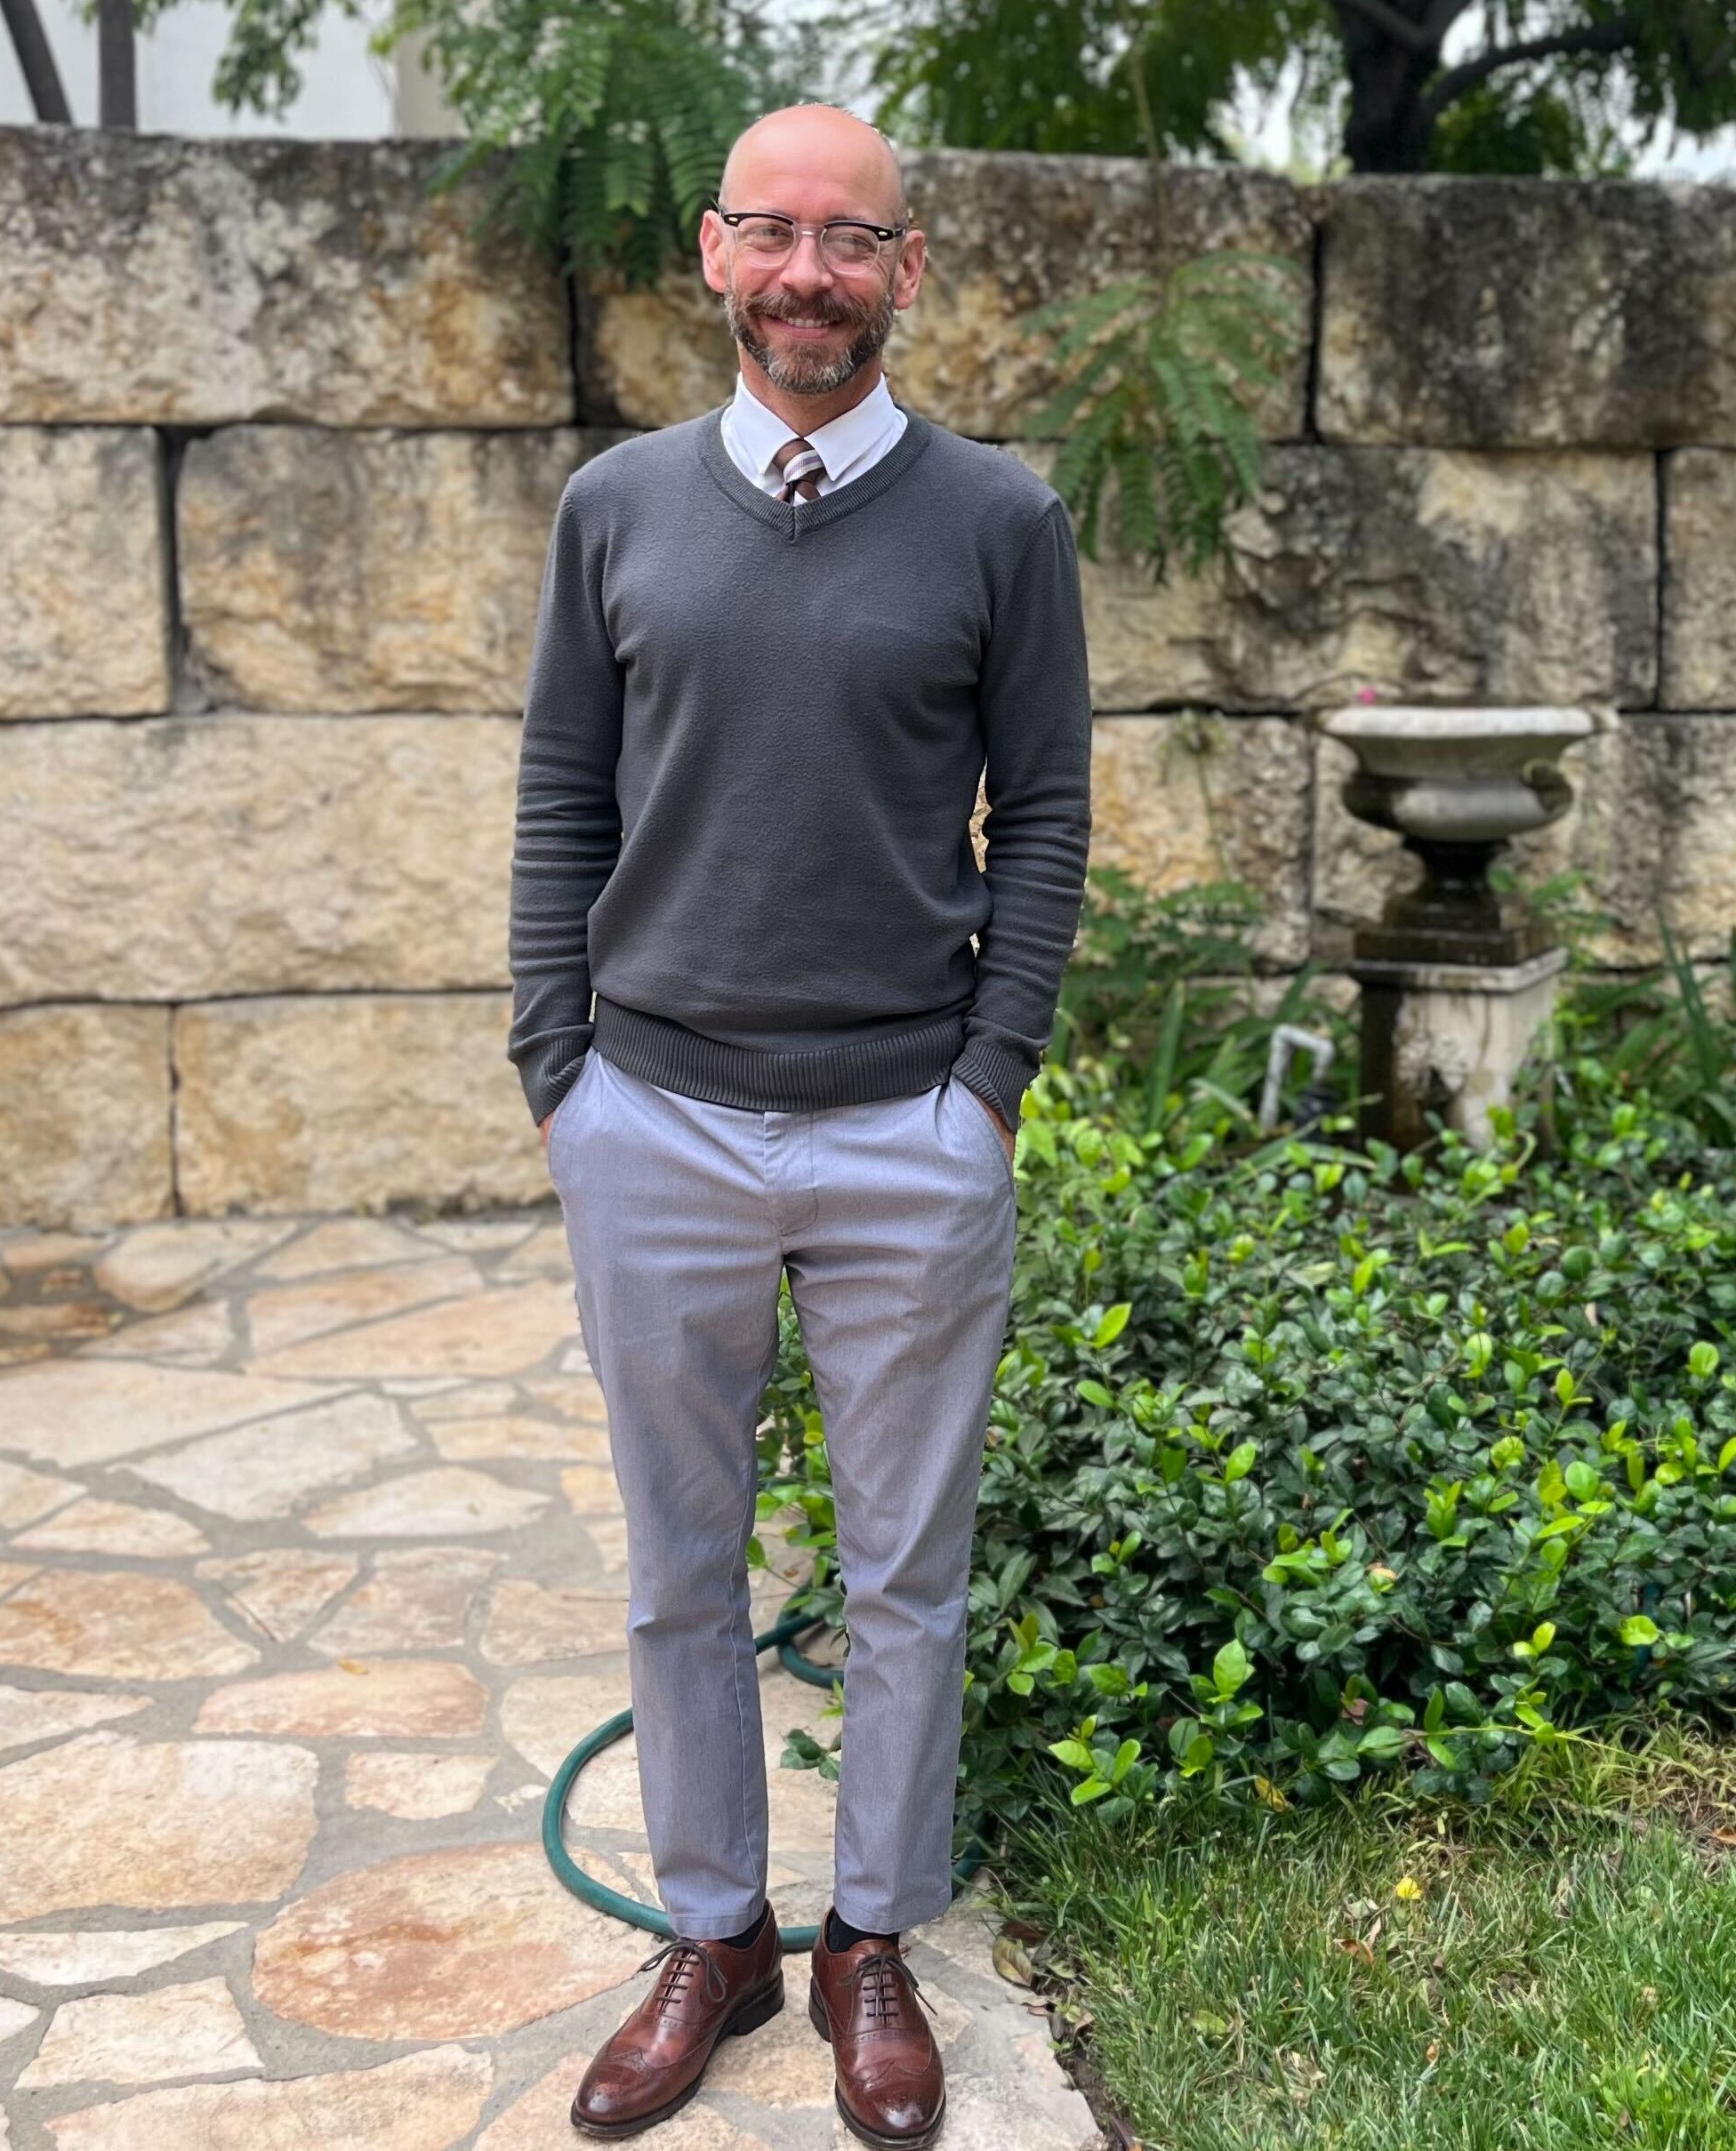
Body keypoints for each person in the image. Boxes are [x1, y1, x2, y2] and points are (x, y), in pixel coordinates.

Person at [505, 99, 1093, 2147]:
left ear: (905, 270)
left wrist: (982, 1091)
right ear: (711, 254)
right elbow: (560, 800)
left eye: (850, 241)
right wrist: (556, 1073)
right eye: (772, 234)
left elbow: (1047, 820)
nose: (808, 276)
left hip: (901, 1131)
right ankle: (711, 1931)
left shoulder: (996, 525)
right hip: (648, 1114)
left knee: (901, 1572)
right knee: (678, 1567)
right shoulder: (617, 508)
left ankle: (867, 1939)